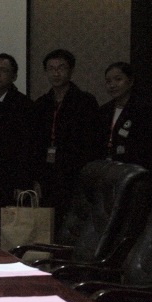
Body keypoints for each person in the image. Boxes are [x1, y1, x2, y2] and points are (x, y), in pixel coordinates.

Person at [32, 49, 99, 227]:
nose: (56, 73)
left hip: (74, 173)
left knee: (73, 224)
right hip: (47, 174)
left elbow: (91, 141)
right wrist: (36, 177)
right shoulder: (41, 104)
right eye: (51, 69)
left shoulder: (85, 101)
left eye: (61, 68)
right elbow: (35, 143)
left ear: (71, 70)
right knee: (48, 224)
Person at [0, 54, 35, 243]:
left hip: (14, 180)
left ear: (14, 76)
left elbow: (27, 145)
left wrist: (23, 182)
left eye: (3, 71)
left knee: (15, 232)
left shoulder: (22, 104)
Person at [96, 62, 152, 178]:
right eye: (108, 81)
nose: (112, 85)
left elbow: (148, 146)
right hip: (106, 170)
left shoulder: (143, 110)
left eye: (118, 79)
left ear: (130, 81)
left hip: (134, 171)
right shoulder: (104, 111)